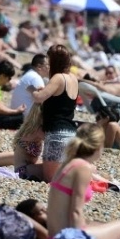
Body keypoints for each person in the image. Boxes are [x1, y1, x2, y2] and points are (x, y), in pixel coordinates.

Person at [31, 44, 79, 180]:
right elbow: (61, 100)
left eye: (49, 59)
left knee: (51, 179)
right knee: (67, 176)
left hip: (56, 134)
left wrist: (32, 90)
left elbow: (39, 98)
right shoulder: (73, 78)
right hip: (71, 133)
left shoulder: (58, 78)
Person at [0, 60, 25, 129]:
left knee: (18, 116)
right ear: (2, 76)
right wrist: (16, 111)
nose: (9, 81)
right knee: (20, 118)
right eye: (9, 78)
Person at [13, 103, 45, 180]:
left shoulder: (30, 127)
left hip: (23, 169)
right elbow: (54, 140)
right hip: (23, 171)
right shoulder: (37, 131)